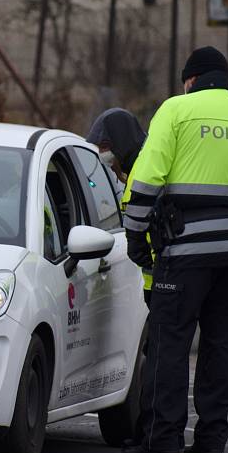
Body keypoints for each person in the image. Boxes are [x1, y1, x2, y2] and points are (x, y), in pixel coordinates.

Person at [119, 47, 228, 453]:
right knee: (219, 347)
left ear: (190, 80)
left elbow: (147, 178)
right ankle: (212, 442)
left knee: (169, 346)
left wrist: (135, 236)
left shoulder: (176, 111)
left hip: (186, 248)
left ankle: (164, 442)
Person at [86, 108, 152, 305]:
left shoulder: (147, 172)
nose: (103, 154)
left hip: (164, 278)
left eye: (105, 146)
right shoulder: (135, 171)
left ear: (121, 142)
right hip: (156, 279)